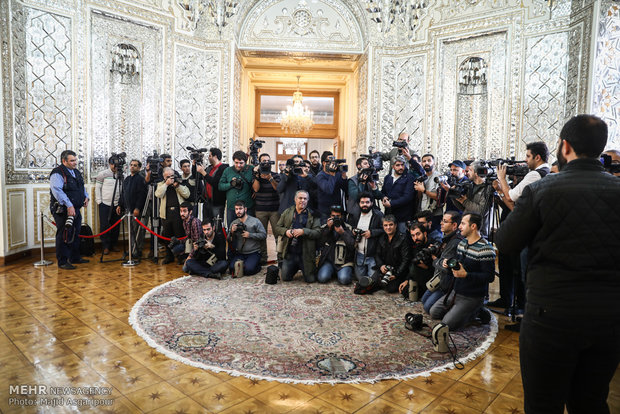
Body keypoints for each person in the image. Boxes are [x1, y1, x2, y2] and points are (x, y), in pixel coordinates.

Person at [495, 115, 620, 414]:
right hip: (609, 317)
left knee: (543, 403)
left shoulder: (542, 190)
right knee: (591, 402)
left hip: (551, 316)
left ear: (565, 147)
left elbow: (505, 243)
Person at [428, 212, 495, 330]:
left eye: (463, 224)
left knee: (447, 324)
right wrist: (448, 264)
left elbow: (489, 277)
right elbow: (458, 266)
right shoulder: (462, 243)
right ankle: (470, 311)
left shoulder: (485, 249)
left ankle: (477, 310)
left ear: (473, 226)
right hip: (456, 291)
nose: (459, 226)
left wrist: (466, 275)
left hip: (472, 296)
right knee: (434, 313)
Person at [49, 150, 90, 270]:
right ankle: (62, 261)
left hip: (76, 208)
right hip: (63, 210)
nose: (75, 163)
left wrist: (86, 197)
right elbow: (57, 191)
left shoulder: (76, 172)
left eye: (75, 160)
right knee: (64, 234)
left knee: (76, 233)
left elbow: (81, 187)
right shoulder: (57, 173)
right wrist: (69, 205)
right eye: (72, 161)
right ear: (64, 161)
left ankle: (74, 257)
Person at [420, 211, 462, 313]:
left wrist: (434, 260)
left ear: (454, 225)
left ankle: (455, 304)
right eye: (442, 220)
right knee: (423, 300)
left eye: (445, 221)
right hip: (440, 279)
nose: (441, 223)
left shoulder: (454, 242)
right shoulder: (447, 238)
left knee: (428, 308)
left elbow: (445, 267)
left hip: (447, 285)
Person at [275, 190, 321, 283]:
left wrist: (303, 231)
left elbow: (318, 232)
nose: (302, 200)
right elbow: (277, 227)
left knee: (310, 280)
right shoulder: (287, 212)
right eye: (300, 198)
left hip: (306, 254)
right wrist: (286, 231)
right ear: (295, 199)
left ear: (307, 201)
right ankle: (294, 267)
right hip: (290, 253)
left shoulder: (313, 214)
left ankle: (303, 268)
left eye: (305, 199)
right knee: (285, 278)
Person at [357, 215, 411, 294]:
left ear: (395, 225)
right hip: (384, 268)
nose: (388, 227)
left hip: (398, 270)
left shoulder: (403, 238)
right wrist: (381, 266)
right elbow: (377, 255)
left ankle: (382, 282)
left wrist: (396, 274)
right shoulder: (382, 237)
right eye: (385, 225)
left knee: (390, 288)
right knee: (365, 285)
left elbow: (406, 260)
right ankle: (378, 281)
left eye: (391, 225)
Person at [496, 141, 550, 211]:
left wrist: (501, 178)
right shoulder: (547, 171)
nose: (525, 160)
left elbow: (510, 197)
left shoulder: (535, 175)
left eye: (528, 156)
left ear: (537, 158)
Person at [155, 167, 190, 264]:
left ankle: (181, 256)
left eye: (172, 176)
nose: (170, 178)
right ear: (164, 177)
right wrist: (166, 184)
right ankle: (169, 256)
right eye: (168, 176)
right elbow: (158, 194)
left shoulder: (179, 182)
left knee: (180, 236)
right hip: (166, 214)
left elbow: (187, 194)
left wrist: (177, 186)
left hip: (178, 213)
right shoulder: (161, 184)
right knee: (167, 236)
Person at [347, 192, 384, 282]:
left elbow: (385, 230)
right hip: (359, 254)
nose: (365, 205)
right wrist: (353, 231)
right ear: (359, 203)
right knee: (361, 280)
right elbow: (348, 229)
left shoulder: (378, 215)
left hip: (373, 254)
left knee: (372, 281)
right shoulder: (354, 214)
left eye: (367, 202)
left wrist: (372, 233)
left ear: (372, 203)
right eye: (362, 202)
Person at [252, 153, 281, 265]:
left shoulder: (276, 175)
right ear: (259, 163)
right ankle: (263, 257)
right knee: (261, 234)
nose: (265, 163)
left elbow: (277, 189)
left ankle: (280, 256)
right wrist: (256, 175)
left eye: (267, 161)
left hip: (274, 209)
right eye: (263, 161)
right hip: (260, 209)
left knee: (277, 234)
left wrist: (270, 178)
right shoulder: (256, 175)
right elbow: (256, 189)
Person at [453, 161, 495, 238]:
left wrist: (465, 201)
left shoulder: (487, 189)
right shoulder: (470, 186)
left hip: (480, 232)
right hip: (466, 229)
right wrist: (454, 196)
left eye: (470, 170)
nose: (467, 173)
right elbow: (464, 208)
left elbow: (481, 211)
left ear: (476, 173)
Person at [317, 205, 355, 285]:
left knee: (344, 280)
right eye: (333, 216)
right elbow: (320, 243)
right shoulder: (325, 227)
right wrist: (328, 229)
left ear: (342, 216)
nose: (335, 218)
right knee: (322, 278)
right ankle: (332, 271)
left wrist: (342, 233)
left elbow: (352, 246)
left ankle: (340, 273)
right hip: (329, 261)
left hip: (344, 262)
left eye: (338, 216)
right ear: (330, 216)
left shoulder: (349, 228)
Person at [227, 200, 266, 277]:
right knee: (232, 268)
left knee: (249, 270)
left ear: (245, 209)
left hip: (253, 252)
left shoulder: (255, 221)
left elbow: (263, 235)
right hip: (240, 253)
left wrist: (250, 235)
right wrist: (231, 232)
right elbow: (228, 240)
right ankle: (246, 264)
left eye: (240, 209)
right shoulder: (234, 223)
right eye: (236, 209)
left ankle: (257, 265)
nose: (238, 211)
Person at [119, 159, 147, 259]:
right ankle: (131, 249)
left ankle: (137, 250)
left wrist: (138, 208)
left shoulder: (140, 179)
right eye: (131, 165)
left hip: (135, 210)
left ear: (139, 168)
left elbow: (141, 195)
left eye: (135, 165)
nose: (132, 167)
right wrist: (120, 205)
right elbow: (123, 193)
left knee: (137, 231)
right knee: (131, 231)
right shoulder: (127, 179)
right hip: (127, 209)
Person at [398, 223, 434, 300]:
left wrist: (426, 267)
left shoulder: (433, 245)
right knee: (405, 291)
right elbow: (413, 263)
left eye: (418, 234)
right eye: (413, 236)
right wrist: (407, 280)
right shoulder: (416, 246)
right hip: (418, 276)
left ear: (424, 233)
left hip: (432, 277)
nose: (416, 238)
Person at [219, 150, 255, 227]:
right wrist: (231, 184)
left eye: (241, 163)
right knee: (231, 230)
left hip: (247, 207)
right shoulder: (228, 170)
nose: (238, 165)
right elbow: (220, 186)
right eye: (236, 163)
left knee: (249, 230)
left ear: (245, 162)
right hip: (232, 207)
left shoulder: (251, 169)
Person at [381, 156, 416, 233]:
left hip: (403, 217)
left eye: (402, 165)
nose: (401, 167)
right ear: (393, 166)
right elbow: (383, 191)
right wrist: (383, 197)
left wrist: (391, 203)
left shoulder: (409, 178)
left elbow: (408, 197)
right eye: (398, 165)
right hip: (389, 216)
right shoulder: (388, 177)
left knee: (403, 239)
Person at [95, 157, 122, 255]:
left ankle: (114, 244)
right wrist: (99, 202)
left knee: (116, 226)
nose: (115, 167)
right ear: (109, 164)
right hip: (105, 204)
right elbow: (97, 188)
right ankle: (105, 246)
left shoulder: (121, 174)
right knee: (105, 226)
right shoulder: (103, 174)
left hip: (117, 205)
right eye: (113, 164)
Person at [195, 147, 228, 221]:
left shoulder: (223, 169)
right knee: (206, 224)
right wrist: (195, 164)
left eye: (210, 156)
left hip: (217, 203)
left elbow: (215, 183)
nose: (208, 158)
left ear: (215, 157)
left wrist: (203, 172)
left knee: (216, 225)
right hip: (207, 202)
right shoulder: (209, 168)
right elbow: (197, 177)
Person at [315, 155, 348, 223]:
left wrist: (344, 176)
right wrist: (332, 174)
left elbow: (345, 189)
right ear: (324, 163)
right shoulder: (320, 176)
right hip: (325, 211)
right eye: (329, 162)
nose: (332, 164)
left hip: (337, 209)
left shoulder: (337, 174)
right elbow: (328, 190)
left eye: (333, 162)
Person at [414, 154, 442, 230]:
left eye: (429, 161)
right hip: (423, 212)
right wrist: (419, 189)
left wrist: (424, 190)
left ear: (434, 163)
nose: (426, 163)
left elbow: (438, 197)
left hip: (435, 214)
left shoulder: (439, 177)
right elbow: (420, 197)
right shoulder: (423, 177)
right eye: (424, 161)